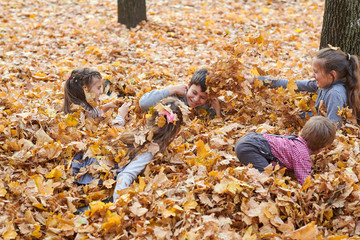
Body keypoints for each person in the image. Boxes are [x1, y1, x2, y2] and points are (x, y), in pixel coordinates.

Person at [251, 47, 360, 125]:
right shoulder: (325, 84)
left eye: (316, 72)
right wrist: (256, 80)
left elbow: (334, 127)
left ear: (332, 74)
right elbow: (292, 84)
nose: (312, 75)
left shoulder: (334, 93)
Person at [112, 97, 186, 201]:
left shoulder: (141, 134)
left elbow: (118, 133)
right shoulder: (150, 150)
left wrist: (120, 117)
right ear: (177, 130)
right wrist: (118, 204)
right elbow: (126, 175)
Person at [234, 116, 336, 185]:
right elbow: (305, 181)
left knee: (266, 166)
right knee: (267, 180)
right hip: (249, 148)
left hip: (250, 139)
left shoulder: (294, 140)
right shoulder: (302, 155)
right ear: (320, 149)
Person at [139, 68, 221, 118]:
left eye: (202, 97)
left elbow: (214, 127)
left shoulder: (206, 104)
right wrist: (170, 90)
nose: (196, 99)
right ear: (188, 85)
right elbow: (143, 104)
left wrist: (217, 110)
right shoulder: (175, 94)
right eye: (194, 92)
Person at [63, 68, 130, 121]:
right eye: (98, 88)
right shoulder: (82, 114)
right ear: (85, 89)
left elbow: (96, 113)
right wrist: (121, 116)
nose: (101, 92)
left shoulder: (85, 107)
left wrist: (109, 106)